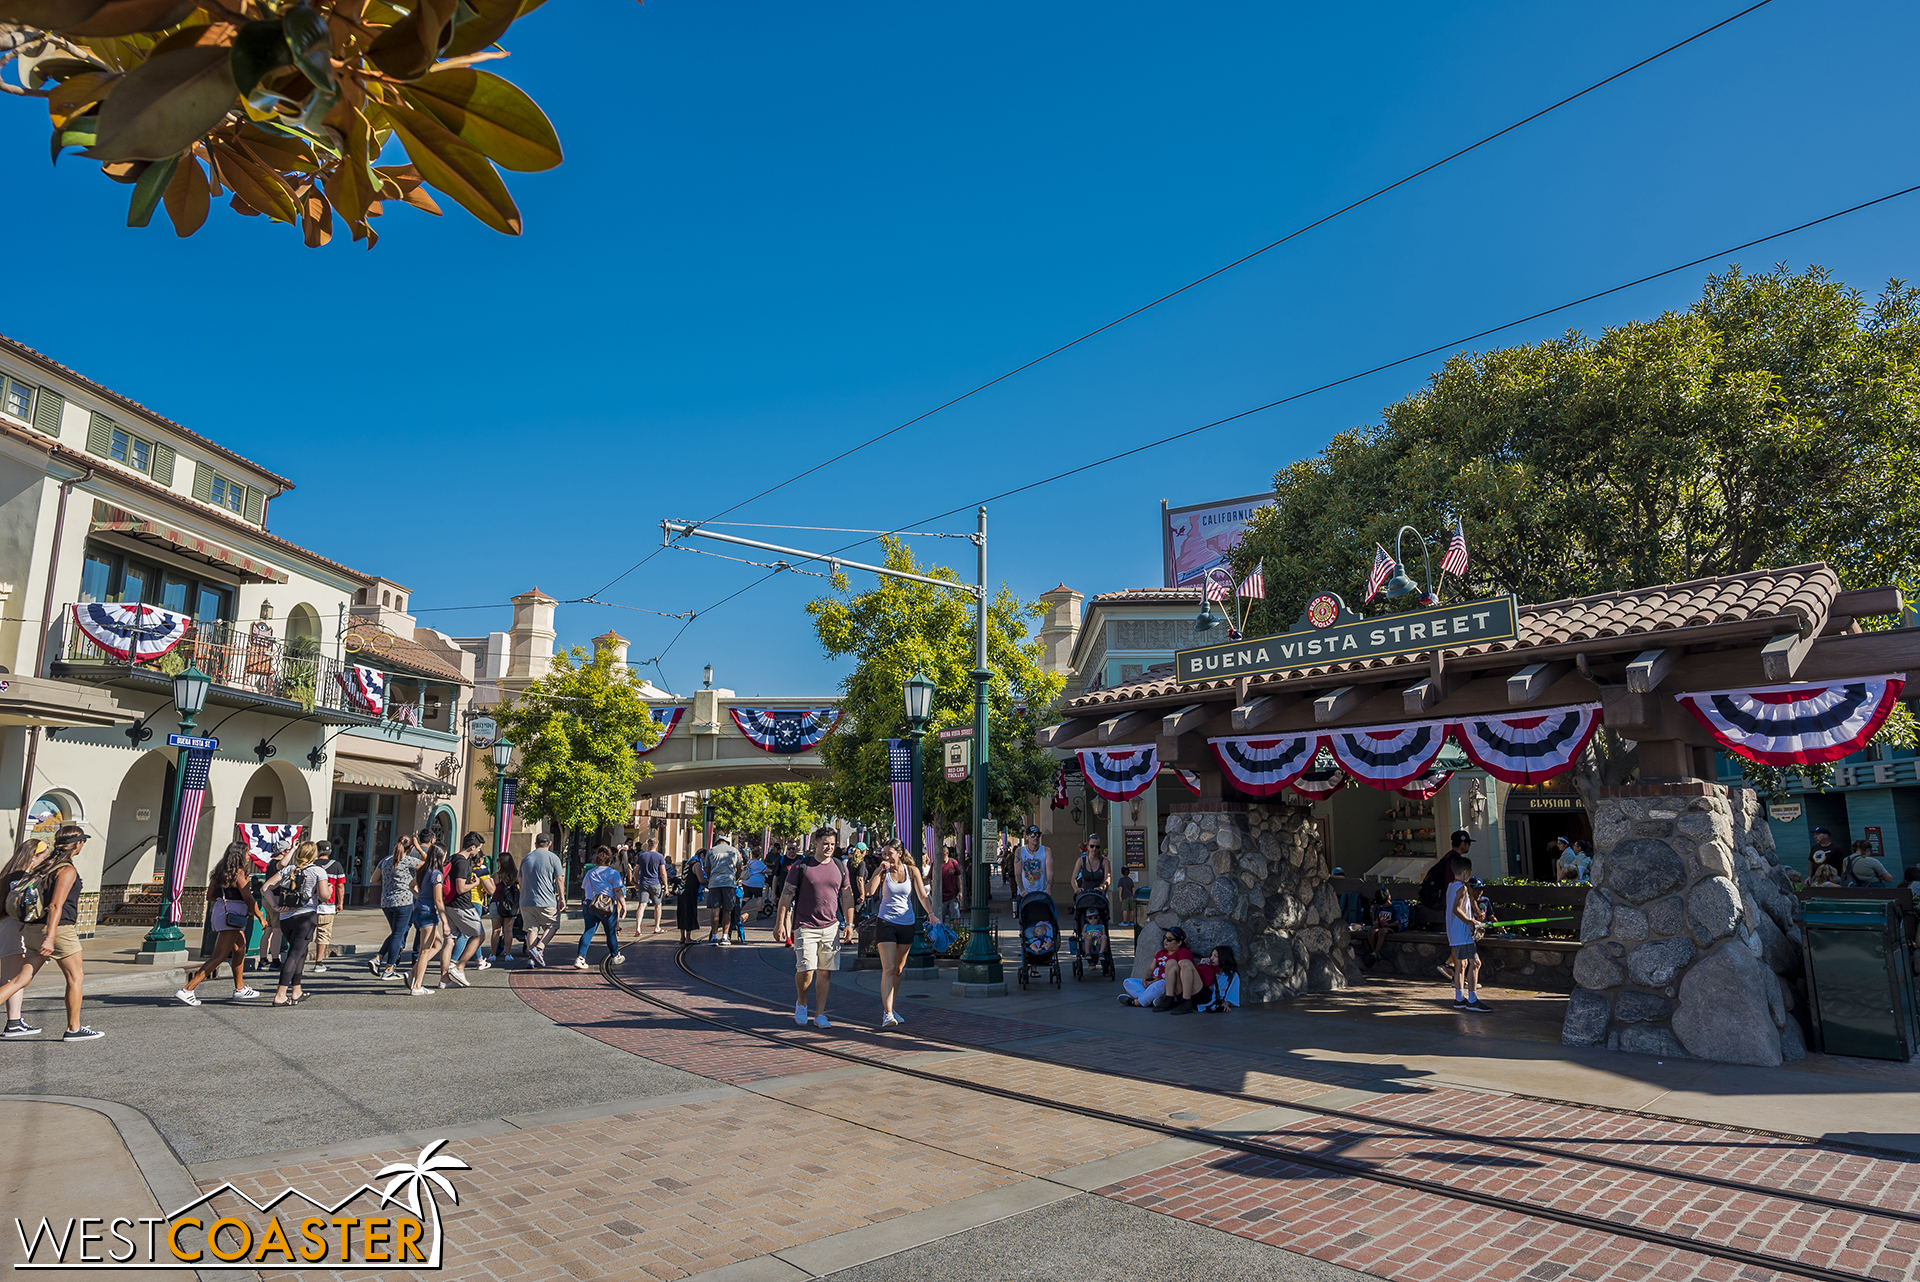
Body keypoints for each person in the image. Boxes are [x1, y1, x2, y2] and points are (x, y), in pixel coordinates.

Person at [0, 825, 99, 1039]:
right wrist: (51, 937)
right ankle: (74, 1029)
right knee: (75, 977)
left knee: (20, 980)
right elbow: (55, 905)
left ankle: (74, 1028)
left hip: (33, 929)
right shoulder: (66, 870)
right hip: (58, 930)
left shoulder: (45, 865)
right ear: (78, 844)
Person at [779, 826, 854, 1028]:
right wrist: (780, 923)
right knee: (806, 970)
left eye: (832, 843)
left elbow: (847, 896)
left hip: (831, 926)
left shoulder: (840, 866)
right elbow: (786, 895)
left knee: (825, 972)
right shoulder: (801, 866)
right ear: (816, 844)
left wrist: (849, 923)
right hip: (805, 925)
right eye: (825, 843)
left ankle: (820, 1014)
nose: (829, 847)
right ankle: (802, 1003)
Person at [177, 841, 263, 1005]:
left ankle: (240, 989)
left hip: (221, 911)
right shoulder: (239, 874)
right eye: (247, 852)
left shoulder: (219, 873)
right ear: (239, 855)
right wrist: (260, 916)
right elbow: (249, 898)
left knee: (240, 948)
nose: (249, 855)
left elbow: (210, 896)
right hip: (233, 915)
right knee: (219, 955)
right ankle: (188, 989)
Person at [863, 842, 932, 1029]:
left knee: (899, 970)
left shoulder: (912, 871)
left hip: (907, 923)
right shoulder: (883, 872)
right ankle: (887, 1013)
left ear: (899, 853)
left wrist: (931, 914)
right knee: (889, 968)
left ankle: (892, 1008)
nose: (886, 857)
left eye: (890, 853)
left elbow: (922, 895)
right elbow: (869, 891)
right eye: (883, 853)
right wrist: (878, 870)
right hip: (886, 922)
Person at [262, 839, 330, 1007]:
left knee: (301, 952)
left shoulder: (289, 869)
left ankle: (297, 989)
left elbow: (265, 888)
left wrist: (275, 906)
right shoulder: (318, 871)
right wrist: (328, 887)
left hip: (286, 918)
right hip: (306, 917)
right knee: (294, 954)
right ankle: (280, 994)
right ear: (313, 855)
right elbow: (324, 896)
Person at [0, 839, 49, 1036]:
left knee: (11, 976)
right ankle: (13, 1022)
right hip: (13, 928)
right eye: (43, 858)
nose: (44, 862)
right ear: (33, 857)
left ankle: (15, 1021)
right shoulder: (24, 878)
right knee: (14, 978)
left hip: (4, 926)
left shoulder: (8, 874)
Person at [369, 834, 424, 979]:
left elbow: (374, 879)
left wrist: (389, 884)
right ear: (410, 847)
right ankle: (389, 968)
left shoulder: (385, 860)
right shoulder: (409, 860)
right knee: (398, 935)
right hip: (404, 901)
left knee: (395, 933)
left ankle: (378, 958)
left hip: (387, 902)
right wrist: (419, 849)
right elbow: (429, 863)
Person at [444, 832, 491, 983]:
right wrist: (475, 884)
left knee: (450, 940)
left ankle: (444, 979)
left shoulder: (452, 857)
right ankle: (459, 967)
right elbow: (461, 888)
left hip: (449, 904)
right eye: (477, 848)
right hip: (462, 905)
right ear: (472, 847)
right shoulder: (463, 862)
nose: (478, 851)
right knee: (479, 935)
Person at [405, 844, 452, 995]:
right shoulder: (437, 874)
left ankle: (413, 972)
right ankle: (417, 986)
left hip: (418, 911)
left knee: (437, 945)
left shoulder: (423, 870)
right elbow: (438, 900)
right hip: (429, 913)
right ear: (441, 856)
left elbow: (411, 885)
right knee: (425, 951)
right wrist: (445, 921)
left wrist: (419, 897)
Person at [1445, 854, 1488, 1012]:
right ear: (1465, 872)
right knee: (1475, 963)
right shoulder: (1461, 888)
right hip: (1462, 934)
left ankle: (1459, 998)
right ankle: (1472, 999)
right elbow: (1456, 909)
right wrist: (1471, 922)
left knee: (1461, 965)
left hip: (1454, 933)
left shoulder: (1451, 886)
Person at [518, 833, 566, 967]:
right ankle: (539, 948)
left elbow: (520, 879)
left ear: (535, 843)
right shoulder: (553, 858)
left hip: (526, 900)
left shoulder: (526, 858)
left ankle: (531, 959)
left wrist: (524, 893)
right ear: (549, 843)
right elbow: (559, 879)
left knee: (532, 929)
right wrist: (562, 898)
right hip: (546, 900)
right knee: (553, 924)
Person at [577, 846, 626, 968]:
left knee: (588, 931)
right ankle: (615, 956)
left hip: (590, 904)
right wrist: (624, 905)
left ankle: (580, 957)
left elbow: (584, 887)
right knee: (610, 932)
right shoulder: (613, 873)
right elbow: (618, 891)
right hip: (607, 907)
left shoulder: (589, 873)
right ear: (610, 860)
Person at [1121, 924, 1190, 1009]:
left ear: (1179, 942)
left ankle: (1137, 1002)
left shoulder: (1183, 953)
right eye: (1165, 938)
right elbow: (1150, 968)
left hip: (1167, 986)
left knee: (1160, 984)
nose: (1165, 941)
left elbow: (1181, 974)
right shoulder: (1161, 952)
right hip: (1152, 983)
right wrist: (1145, 977)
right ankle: (1152, 1000)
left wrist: (1160, 980)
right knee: (1127, 982)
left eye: (1169, 939)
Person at [308, 839, 344, 972]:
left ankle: (299, 959)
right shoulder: (336, 865)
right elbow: (340, 886)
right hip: (328, 906)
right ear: (330, 851)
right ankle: (318, 963)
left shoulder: (310, 864)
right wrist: (340, 902)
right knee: (323, 934)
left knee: (306, 934)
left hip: (310, 905)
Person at [705, 835, 742, 946]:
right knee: (727, 910)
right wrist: (735, 878)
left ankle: (714, 936)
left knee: (715, 910)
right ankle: (725, 937)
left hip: (714, 883)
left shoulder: (711, 851)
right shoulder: (734, 851)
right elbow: (740, 868)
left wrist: (710, 878)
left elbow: (706, 868)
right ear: (727, 842)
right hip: (729, 883)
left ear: (717, 842)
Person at [489, 852, 521, 963]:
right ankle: (508, 954)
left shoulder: (496, 875)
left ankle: (493, 954)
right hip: (510, 906)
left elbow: (491, 890)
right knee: (508, 931)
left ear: (500, 863)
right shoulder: (515, 875)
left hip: (496, 904)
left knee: (495, 930)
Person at [633, 838, 668, 934]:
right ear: (656, 845)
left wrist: (637, 882)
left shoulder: (641, 856)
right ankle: (657, 927)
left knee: (642, 905)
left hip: (643, 883)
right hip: (655, 883)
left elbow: (636, 872)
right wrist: (666, 886)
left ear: (648, 845)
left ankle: (638, 927)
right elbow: (663, 873)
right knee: (657, 905)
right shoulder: (660, 857)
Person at [1194, 945, 1240, 1012]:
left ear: (1224, 959)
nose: (1211, 958)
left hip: (1214, 1002)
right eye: (1211, 955)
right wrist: (1202, 967)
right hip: (1200, 998)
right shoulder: (1208, 969)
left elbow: (1233, 993)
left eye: (1216, 956)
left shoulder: (1232, 975)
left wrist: (1226, 1003)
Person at [675, 849, 704, 945]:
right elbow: (701, 880)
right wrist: (710, 882)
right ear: (702, 855)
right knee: (689, 913)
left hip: (681, 891)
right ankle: (688, 938)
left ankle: (682, 937)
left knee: (682, 913)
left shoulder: (688, 862)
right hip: (690, 892)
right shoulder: (697, 864)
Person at [1016, 826, 1052, 899]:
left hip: (1041, 893)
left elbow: (1050, 873)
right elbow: (1017, 873)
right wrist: (1022, 890)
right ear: (1027, 837)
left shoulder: (1046, 850)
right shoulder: (1020, 851)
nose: (1036, 837)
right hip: (1025, 894)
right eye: (1032, 835)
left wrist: (1048, 888)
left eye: (1038, 835)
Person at [1367, 885, 1397, 963]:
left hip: (1390, 927)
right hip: (1381, 926)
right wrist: (1376, 922)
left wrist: (1389, 925)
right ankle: (1374, 952)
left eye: (1384, 904)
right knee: (1371, 931)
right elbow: (1377, 918)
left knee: (1382, 931)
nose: (1383, 906)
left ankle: (1376, 951)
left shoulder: (1394, 908)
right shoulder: (1380, 908)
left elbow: (1397, 921)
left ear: (1389, 899)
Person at [940, 841, 963, 925]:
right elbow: (931, 878)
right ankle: (941, 934)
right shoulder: (936, 864)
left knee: (955, 916)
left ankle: (956, 933)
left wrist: (960, 891)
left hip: (952, 895)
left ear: (947, 853)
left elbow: (958, 877)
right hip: (940, 897)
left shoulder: (953, 863)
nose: (941, 856)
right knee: (939, 918)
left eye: (943, 853)